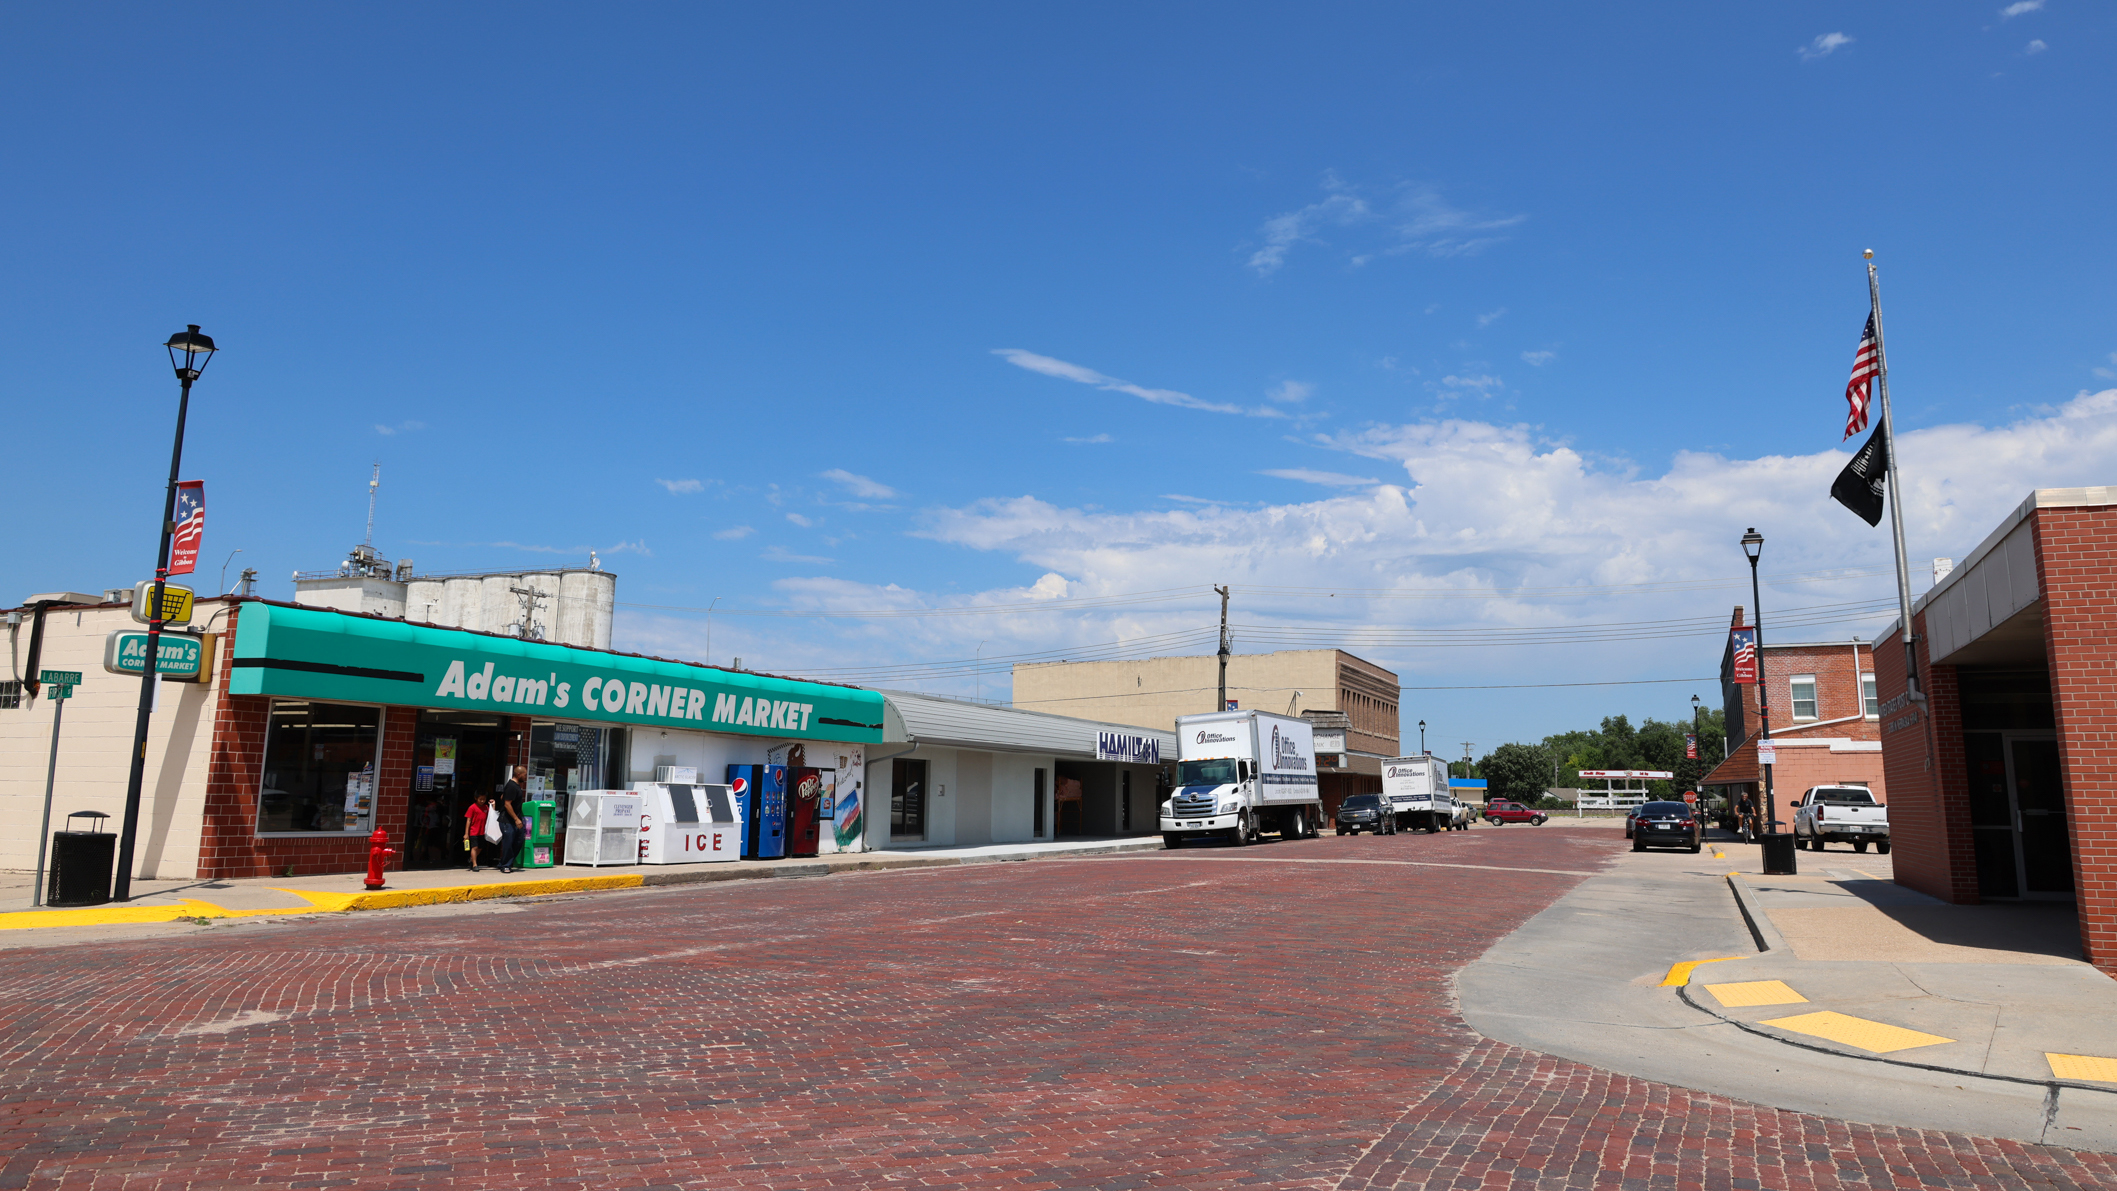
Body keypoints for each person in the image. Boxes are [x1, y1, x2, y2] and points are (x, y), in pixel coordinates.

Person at [496, 766, 528, 873]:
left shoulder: (515, 786)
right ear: (518, 774)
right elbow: (507, 804)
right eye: (524, 774)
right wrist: (516, 819)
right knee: (508, 843)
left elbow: (503, 798)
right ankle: (505, 865)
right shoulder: (511, 786)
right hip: (508, 821)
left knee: (519, 841)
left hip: (516, 820)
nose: (526, 777)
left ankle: (504, 862)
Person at [464, 792, 491, 872]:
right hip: (474, 831)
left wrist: (493, 805)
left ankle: (472, 859)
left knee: (480, 847)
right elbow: (468, 820)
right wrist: (466, 833)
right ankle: (475, 864)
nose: (482, 801)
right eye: (480, 799)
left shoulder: (486, 807)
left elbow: (491, 815)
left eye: (484, 799)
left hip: (482, 831)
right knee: (474, 847)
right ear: (476, 798)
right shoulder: (472, 807)